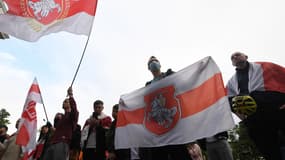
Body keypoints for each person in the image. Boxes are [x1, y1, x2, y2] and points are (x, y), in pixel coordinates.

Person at [226, 52, 285, 160]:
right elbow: (229, 101)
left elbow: (281, 77)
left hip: (274, 111)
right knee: (268, 150)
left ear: (246, 57)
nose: (235, 57)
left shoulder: (265, 67)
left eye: (238, 54)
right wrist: (243, 118)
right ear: (232, 63)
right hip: (254, 119)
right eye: (232, 57)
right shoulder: (231, 82)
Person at [139, 56, 192, 160]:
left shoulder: (169, 75)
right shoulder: (148, 85)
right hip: (157, 128)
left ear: (160, 64)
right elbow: (143, 103)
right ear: (149, 68)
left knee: (179, 153)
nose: (153, 62)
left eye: (155, 61)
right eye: (151, 62)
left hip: (174, 126)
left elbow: (184, 81)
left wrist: (199, 70)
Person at [42, 87, 79, 160]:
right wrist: (51, 127)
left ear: (70, 104)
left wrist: (71, 95)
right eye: (64, 101)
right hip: (52, 143)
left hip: (62, 142)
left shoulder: (73, 115)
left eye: (66, 101)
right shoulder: (62, 117)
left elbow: (74, 110)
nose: (64, 102)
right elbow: (57, 131)